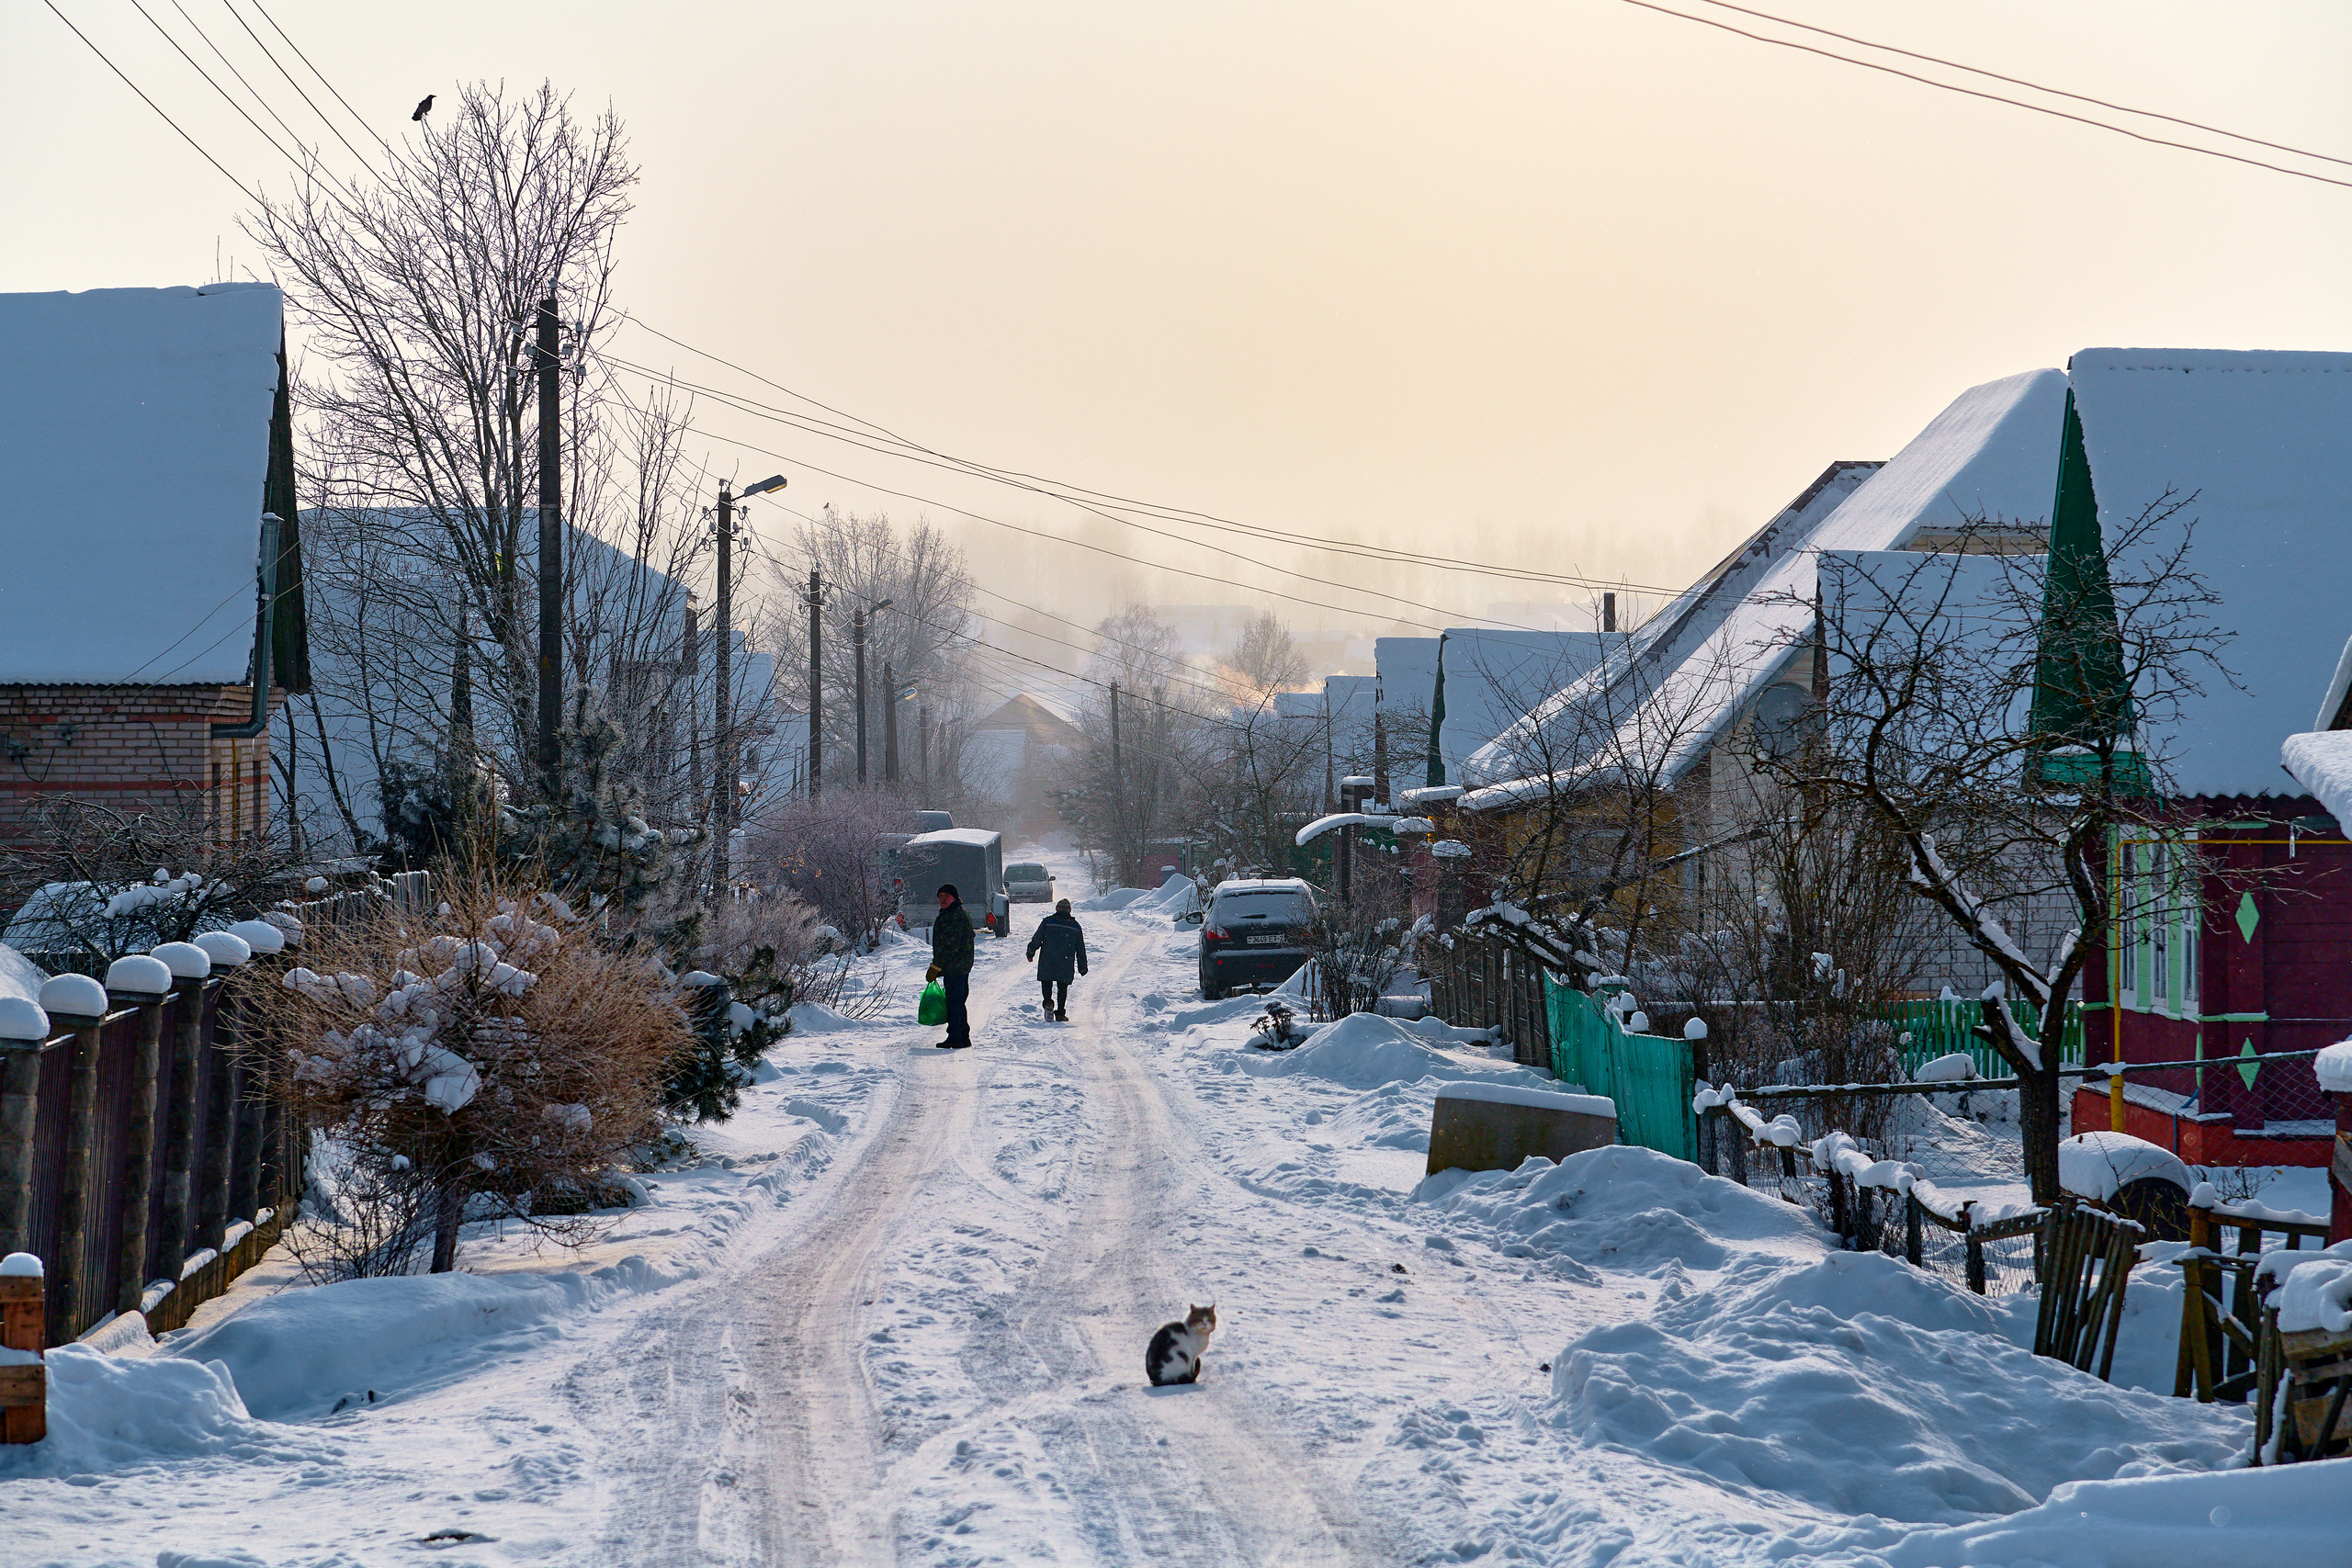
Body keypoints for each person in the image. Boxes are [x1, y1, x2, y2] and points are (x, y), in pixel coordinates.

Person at [925, 884, 976, 1048]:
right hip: (958, 966)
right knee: (958, 1002)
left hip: (956, 966)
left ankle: (956, 1037)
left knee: (954, 1002)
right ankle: (962, 1037)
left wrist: (936, 966)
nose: (943, 899)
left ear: (954, 897)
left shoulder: (954, 915)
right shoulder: (951, 913)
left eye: (946, 895)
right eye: (940, 896)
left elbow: (950, 946)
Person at [1025, 897, 1088, 1021]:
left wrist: (1031, 952)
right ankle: (1060, 1013)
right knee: (1062, 987)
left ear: (1057, 909)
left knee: (1046, 982)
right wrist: (1082, 967)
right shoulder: (1075, 927)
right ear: (1069, 911)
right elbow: (1080, 948)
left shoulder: (1048, 922)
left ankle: (1048, 1003)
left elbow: (1037, 939)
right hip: (1065, 962)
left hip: (1048, 959)